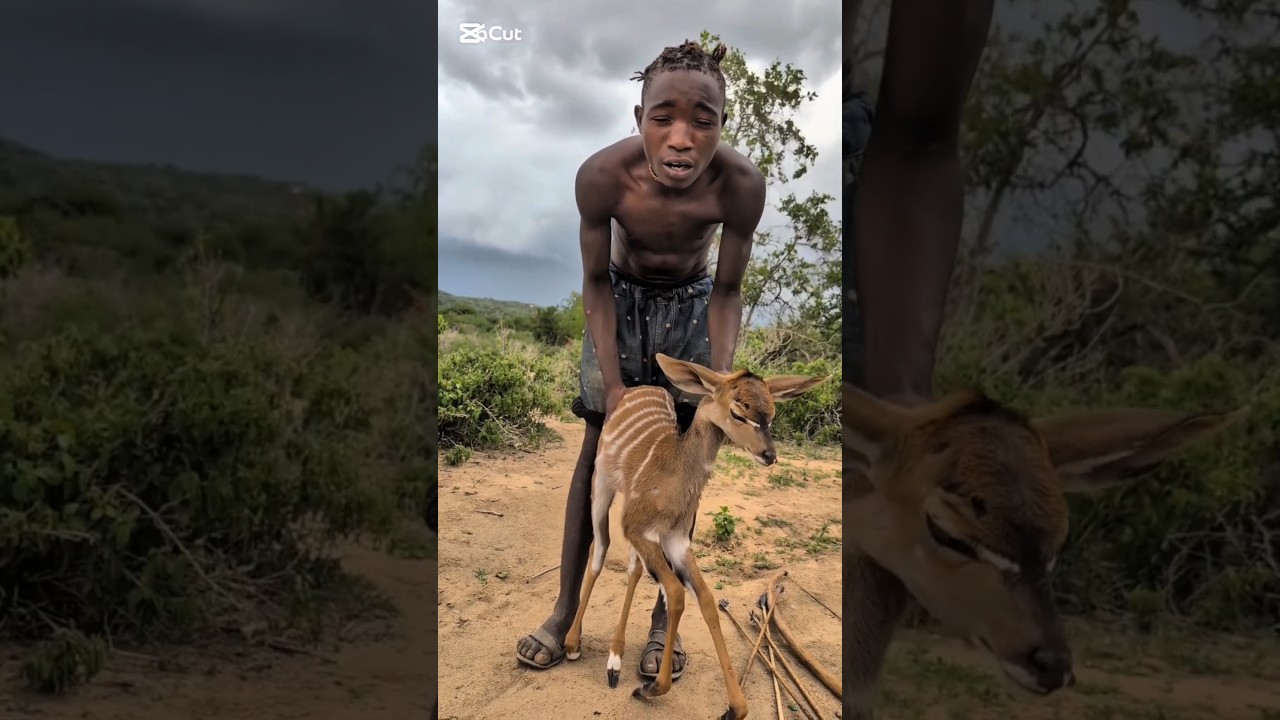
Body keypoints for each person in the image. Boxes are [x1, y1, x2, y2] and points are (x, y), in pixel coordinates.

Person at [515, 40, 767, 682]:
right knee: (599, 446)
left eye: (702, 121)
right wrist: (617, 382)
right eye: (664, 118)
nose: (682, 139)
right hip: (620, 304)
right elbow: (596, 283)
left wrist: (719, 381)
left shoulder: (740, 188)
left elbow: (728, 291)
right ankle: (565, 610)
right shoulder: (602, 177)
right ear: (639, 117)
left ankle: (662, 623)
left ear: (721, 125)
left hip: (693, 308)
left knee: (688, 458)